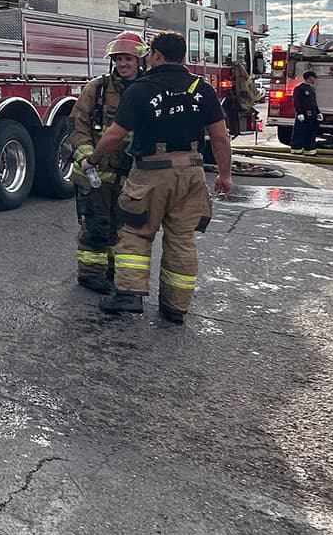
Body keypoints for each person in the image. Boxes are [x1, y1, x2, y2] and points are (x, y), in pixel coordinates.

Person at [88, 31, 232, 323]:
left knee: (137, 232)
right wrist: (225, 176)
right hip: (191, 173)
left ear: (155, 55)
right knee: (182, 239)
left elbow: (115, 135)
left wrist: (93, 158)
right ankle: (175, 307)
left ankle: (129, 294)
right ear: (182, 56)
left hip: (151, 173)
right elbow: (220, 137)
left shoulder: (140, 89)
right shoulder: (201, 88)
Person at [68, 34, 143, 294]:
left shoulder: (146, 90)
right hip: (97, 173)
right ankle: (89, 275)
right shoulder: (97, 89)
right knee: (97, 225)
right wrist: (87, 159)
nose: (123, 64)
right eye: (119, 59)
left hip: (132, 175)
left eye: (128, 59)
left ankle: (113, 271)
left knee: (123, 228)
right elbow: (78, 125)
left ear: (139, 60)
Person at [290, 70, 320, 155]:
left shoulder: (311, 89)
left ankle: (309, 149)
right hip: (303, 114)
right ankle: (296, 148)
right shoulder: (299, 88)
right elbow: (296, 102)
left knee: (311, 132)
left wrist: (318, 112)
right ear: (310, 78)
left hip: (312, 114)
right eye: (314, 78)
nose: (315, 80)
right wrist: (299, 113)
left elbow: (314, 103)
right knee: (300, 131)